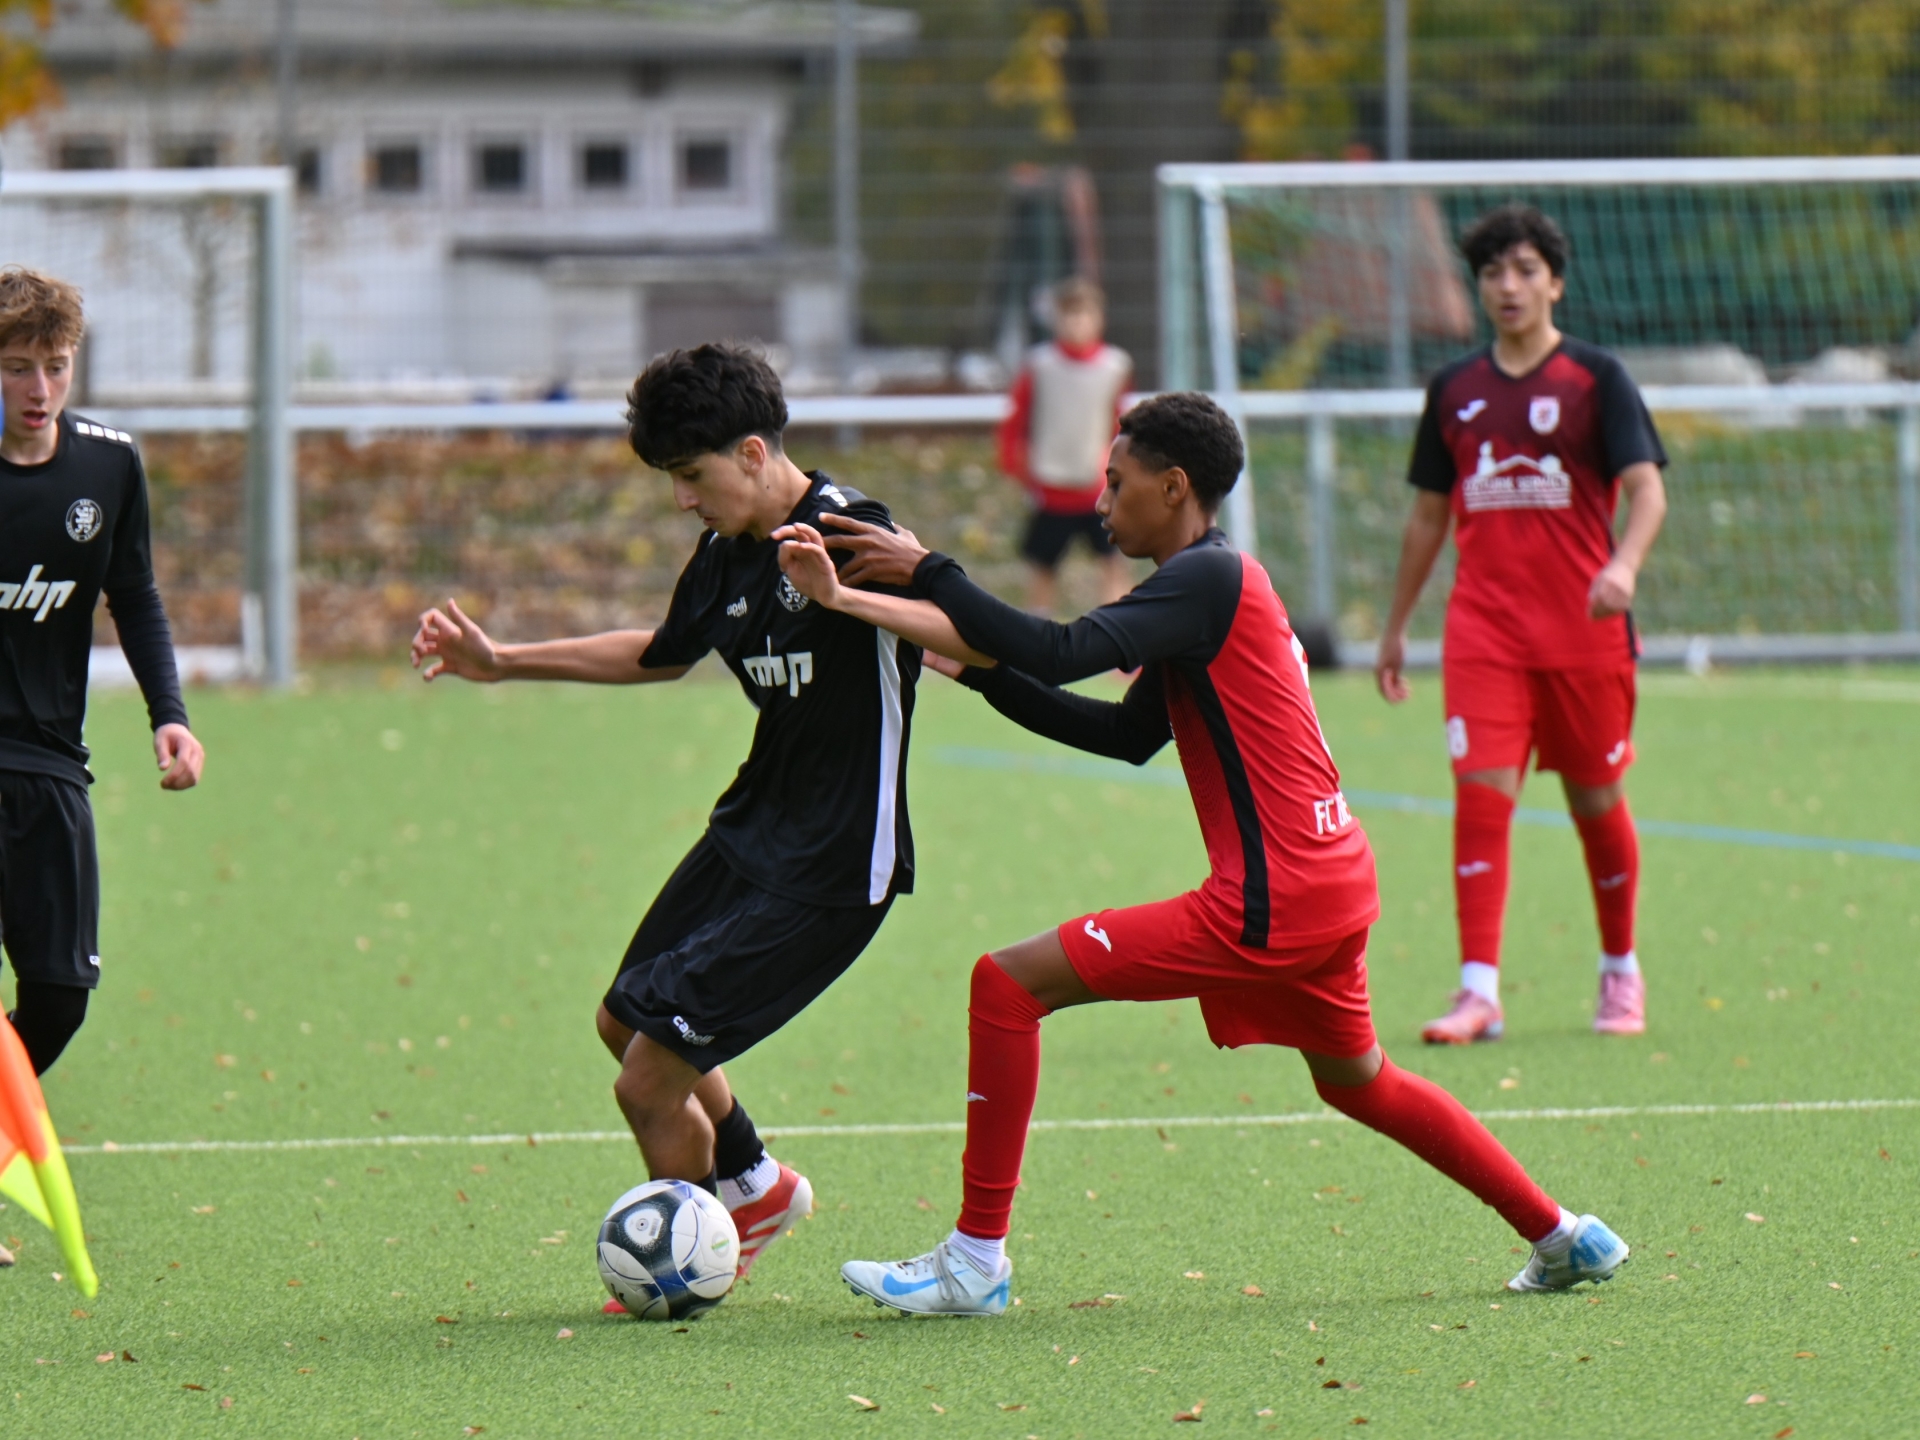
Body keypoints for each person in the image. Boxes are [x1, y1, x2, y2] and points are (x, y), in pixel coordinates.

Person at [772, 391, 1629, 1315]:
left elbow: (1058, 649)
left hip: (1277, 896)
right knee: (1362, 1083)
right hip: (1333, 878)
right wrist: (977, 673)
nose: (1101, 503)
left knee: (1005, 984)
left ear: (1174, 487)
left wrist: (929, 571)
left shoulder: (1206, 581)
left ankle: (975, 1261)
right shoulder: (1212, 583)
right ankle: (1563, 1234)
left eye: (1117, 483)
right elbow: (1123, 735)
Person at [408, 344, 921, 1304]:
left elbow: (955, 618)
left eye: (692, 475)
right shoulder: (728, 553)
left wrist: (1032, 656)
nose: (682, 499)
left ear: (754, 453)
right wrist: (503, 661)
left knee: (647, 1081)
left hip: (834, 864)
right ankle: (756, 1185)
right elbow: (661, 652)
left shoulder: (855, 533)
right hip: (753, 830)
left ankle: (684, 1269)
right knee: (622, 1020)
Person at [1373, 204, 1669, 1045]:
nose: (1509, 286)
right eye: (1493, 273)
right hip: (1484, 633)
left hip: (1584, 634)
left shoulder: (1596, 378)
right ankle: (1479, 992)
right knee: (1480, 797)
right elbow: (1429, 517)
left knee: (1597, 801)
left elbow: (1647, 489)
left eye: (1525, 270)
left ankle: (1620, 969)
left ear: (1555, 283)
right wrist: (1396, 627)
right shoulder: (1453, 389)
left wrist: (1624, 565)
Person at [0, 268, 204, 1081]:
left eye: (56, 366)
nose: (39, 389)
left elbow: (135, 595)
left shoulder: (108, 466)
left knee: (59, 997)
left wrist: (170, 713)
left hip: (50, 764)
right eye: (17, 367)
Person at [999, 276, 1132, 615]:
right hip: (1052, 487)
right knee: (1043, 567)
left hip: (1098, 488)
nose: (1077, 323)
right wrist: (1016, 465)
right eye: (1069, 315)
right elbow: (1016, 420)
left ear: (1099, 319)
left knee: (1113, 563)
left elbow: (1120, 423)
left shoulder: (1115, 367)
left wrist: (1117, 469)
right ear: (1056, 319)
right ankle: (1037, 632)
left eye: (1084, 315)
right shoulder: (1039, 365)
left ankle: (1120, 635)